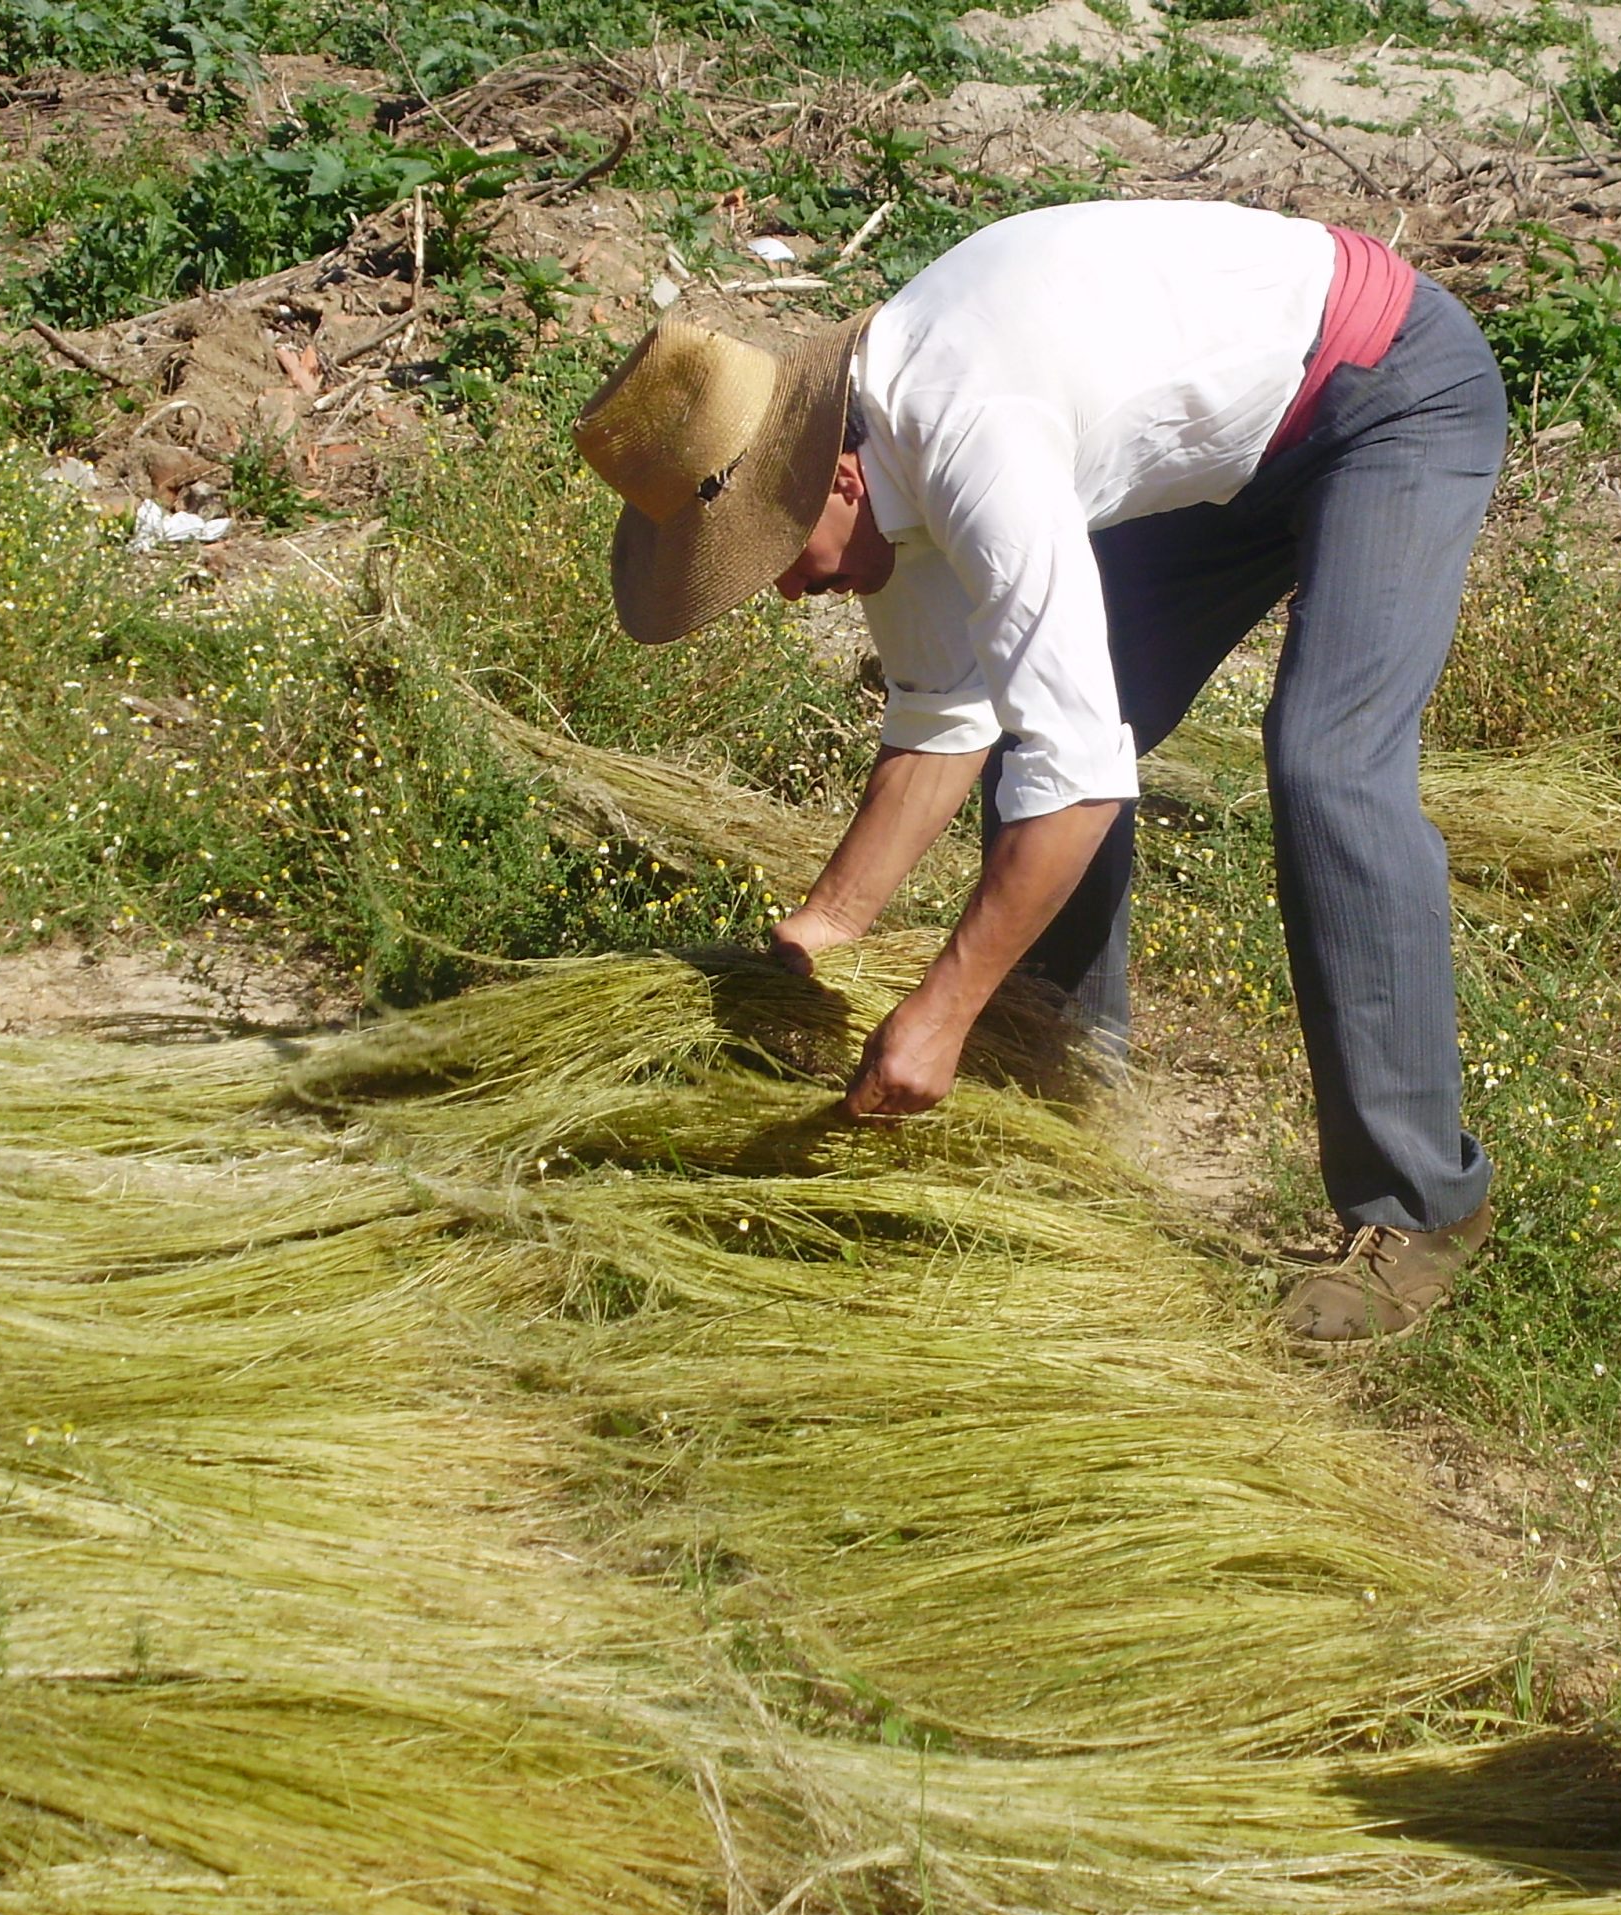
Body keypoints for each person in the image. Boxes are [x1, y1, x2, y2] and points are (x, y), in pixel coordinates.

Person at [570, 197, 1506, 1343]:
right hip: (1239, 447)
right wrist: (828, 923)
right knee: (1040, 716)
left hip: (1387, 386)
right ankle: (1065, 1083)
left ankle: (1421, 1211)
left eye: (774, 557)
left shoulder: (970, 431)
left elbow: (1083, 775)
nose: (781, 589)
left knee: (1327, 766)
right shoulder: (876, 462)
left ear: (838, 481)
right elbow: (942, 717)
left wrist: (943, 1008)